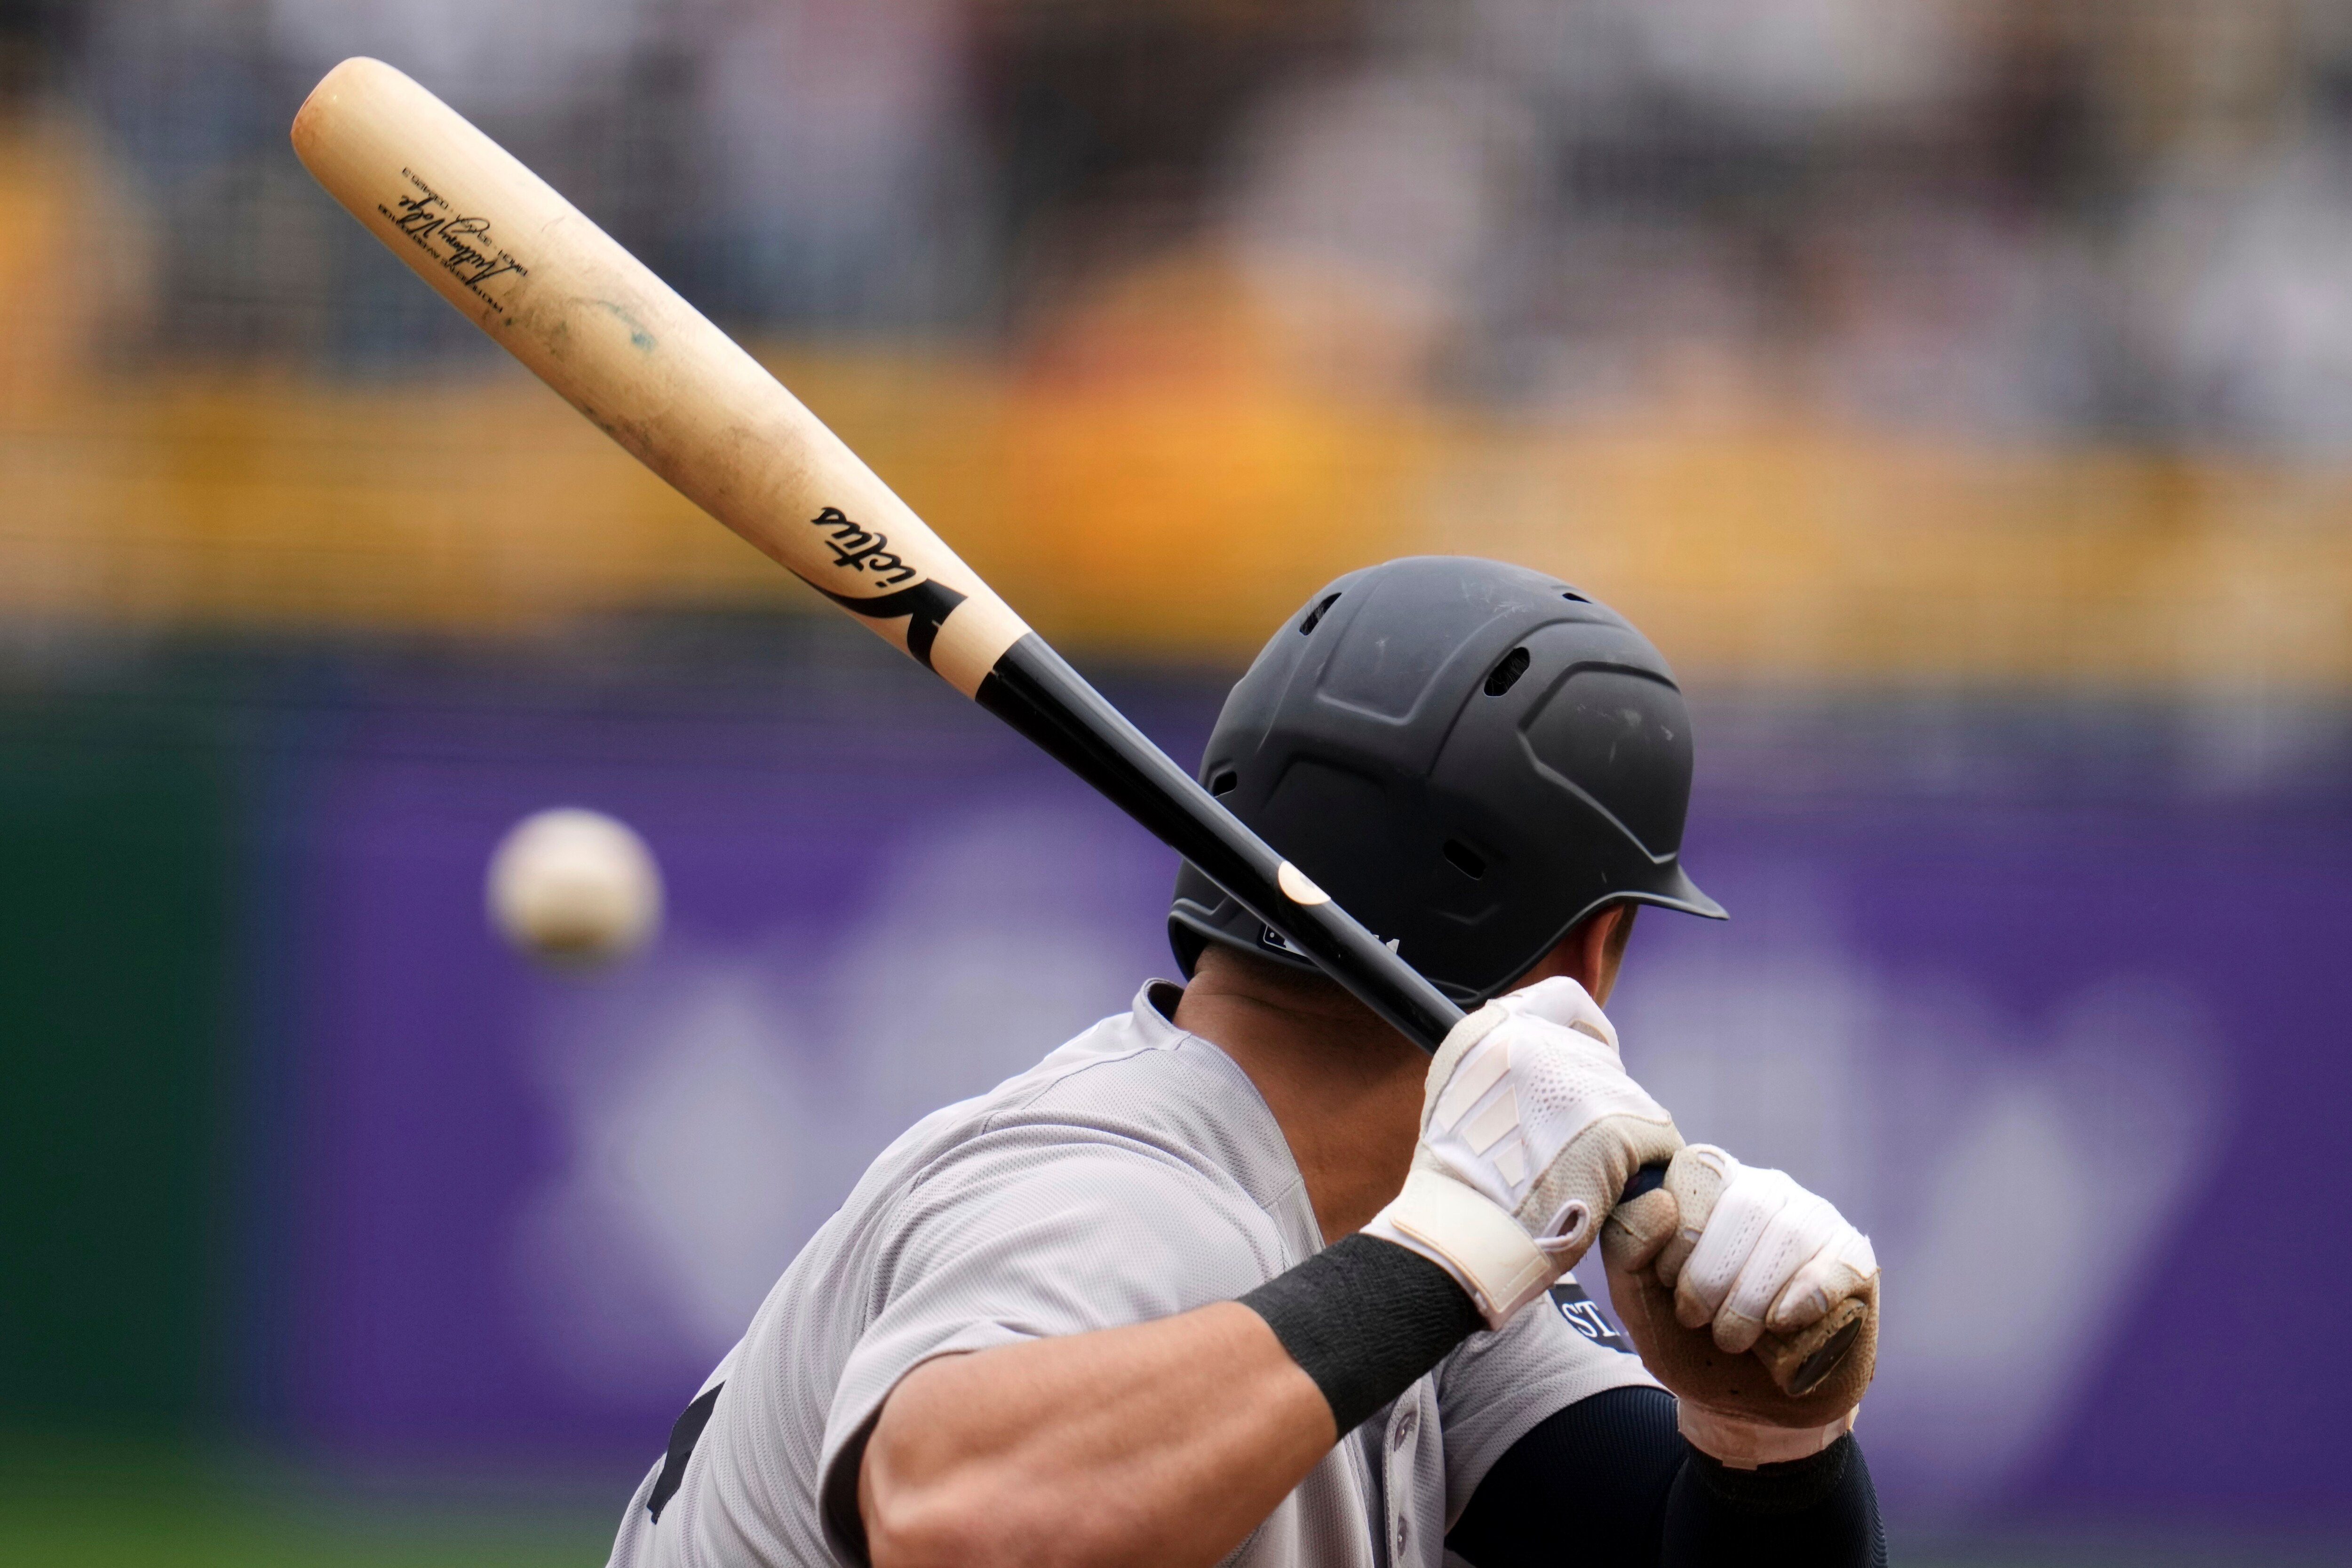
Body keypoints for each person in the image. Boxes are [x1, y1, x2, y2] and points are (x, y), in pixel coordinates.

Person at [605, 557, 1886, 1568]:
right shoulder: (1130, 1192)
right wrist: (1438, 1260)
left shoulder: (1397, 1250)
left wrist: (1769, 1448)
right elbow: (957, 1526)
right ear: (1590, 960)